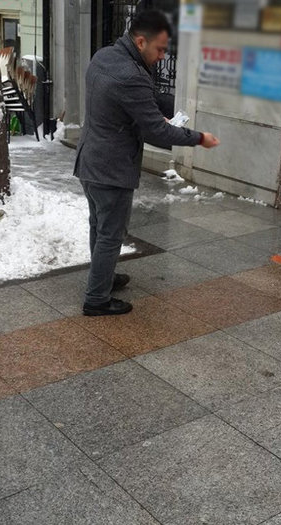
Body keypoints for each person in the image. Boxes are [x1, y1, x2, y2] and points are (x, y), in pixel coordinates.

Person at [74, 9, 219, 316]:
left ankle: (105, 279)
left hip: (89, 160)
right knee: (110, 234)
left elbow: (126, 108)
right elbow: (155, 129)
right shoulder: (131, 75)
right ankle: (96, 299)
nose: (162, 56)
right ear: (141, 42)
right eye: (160, 49)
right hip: (112, 169)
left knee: (98, 227)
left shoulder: (103, 57)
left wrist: (151, 115)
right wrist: (198, 138)